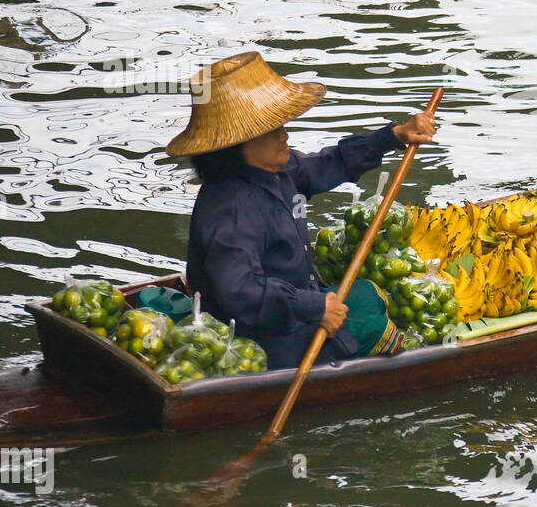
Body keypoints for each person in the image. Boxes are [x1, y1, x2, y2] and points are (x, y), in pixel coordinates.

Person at [166, 51, 436, 369]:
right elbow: (238, 291)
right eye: (272, 129)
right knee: (372, 325)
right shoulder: (233, 207)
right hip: (260, 334)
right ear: (237, 144)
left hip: (292, 303)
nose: (285, 134)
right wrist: (314, 306)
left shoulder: (275, 168)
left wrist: (391, 138)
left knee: (364, 293)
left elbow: (323, 166)